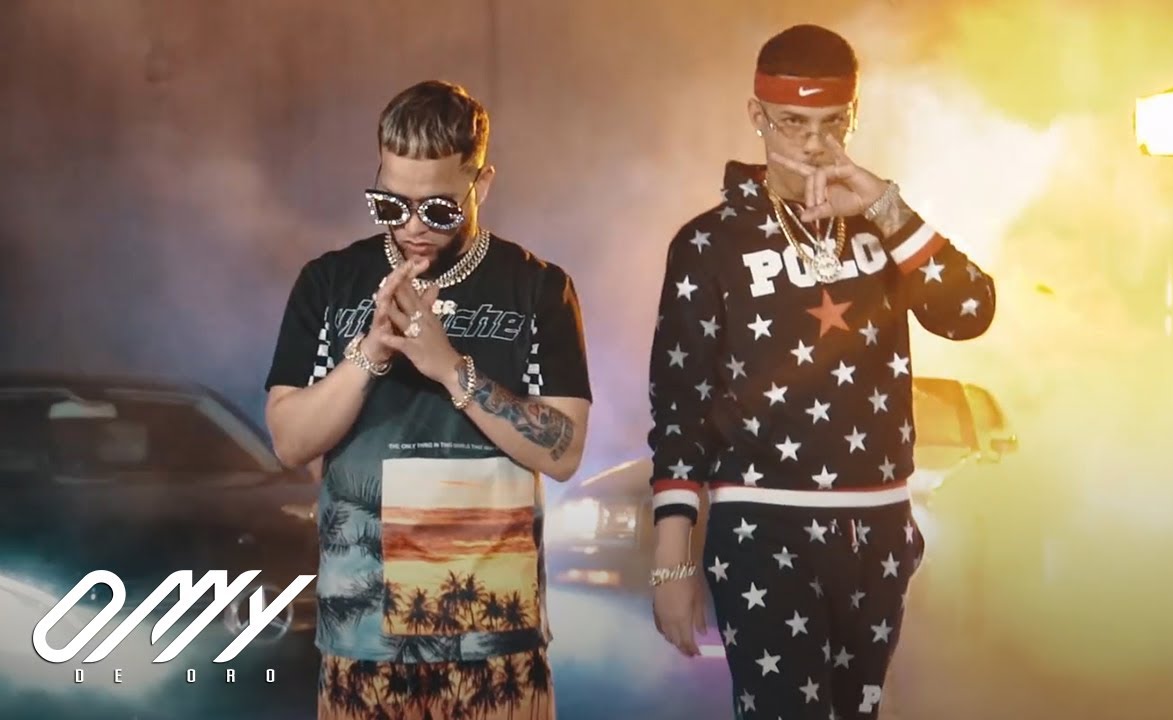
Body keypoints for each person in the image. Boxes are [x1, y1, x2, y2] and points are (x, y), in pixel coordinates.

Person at [646, 25, 996, 719]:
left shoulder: (882, 228)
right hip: (761, 526)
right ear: (756, 115)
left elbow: (969, 311)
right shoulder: (708, 242)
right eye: (792, 123)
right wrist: (672, 559)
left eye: (832, 122)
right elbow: (680, 405)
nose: (813, 144)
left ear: (854, 115)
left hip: (878, 527)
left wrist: (887, 208)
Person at [264, 79, 591, 720]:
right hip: (361, 638)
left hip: (495, 638)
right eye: (389, 204)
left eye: (437, 209)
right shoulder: (328, 282)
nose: (411, 226)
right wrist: (369, 355)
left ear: (481, 184)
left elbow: (564, 452)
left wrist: (451, 370)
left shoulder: (539, 288)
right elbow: (289, 443)